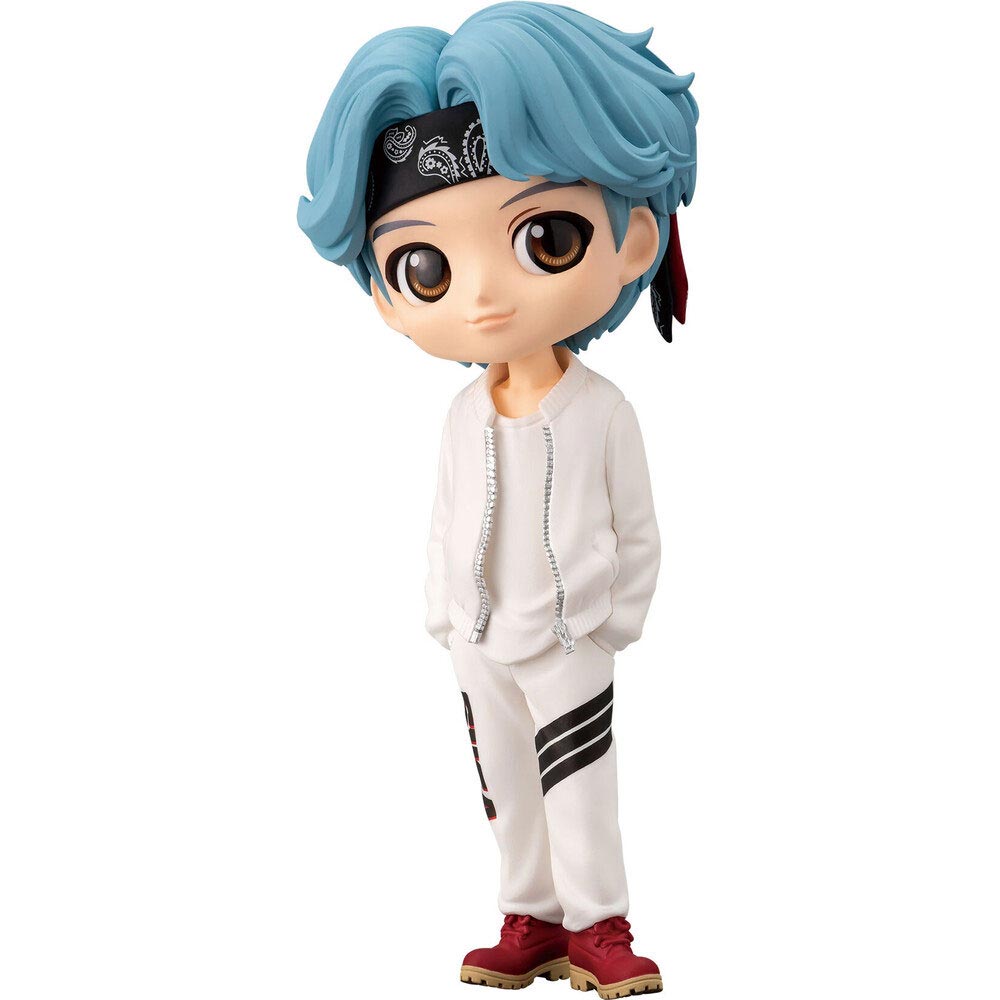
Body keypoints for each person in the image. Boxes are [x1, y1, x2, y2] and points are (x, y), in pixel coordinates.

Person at [297, 4, 697, 996]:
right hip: (478, 632)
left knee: (581, 780)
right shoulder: (461, 414)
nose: (481, 298)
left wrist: (610, 618)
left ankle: (600, 923)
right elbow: (444, 518)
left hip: (568, 633)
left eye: (544, 238)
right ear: (385, 290)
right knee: (505, 782)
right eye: (425, 266)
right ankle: (530, 913)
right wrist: (444, 613)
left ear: (634, 238)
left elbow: (639, 528)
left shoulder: (601, 410)